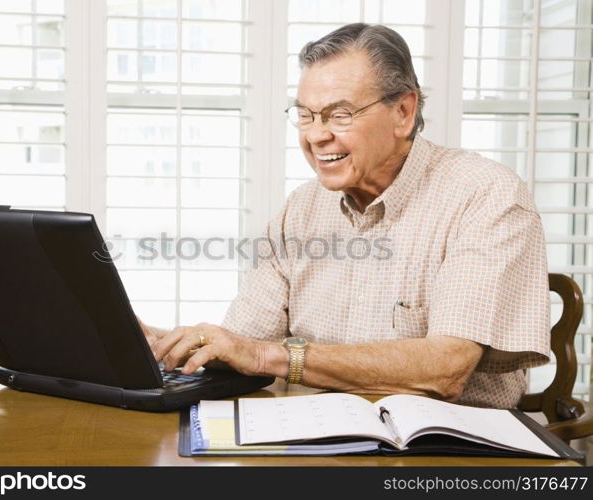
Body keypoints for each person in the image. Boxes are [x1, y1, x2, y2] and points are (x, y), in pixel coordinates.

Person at [142, 23, 550, 409]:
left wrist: (269, 356)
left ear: (403, 112)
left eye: (340, 114)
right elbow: (245, 346)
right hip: (316, 435)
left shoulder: (485, 195)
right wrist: (154, 343)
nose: (316, 135)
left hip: (448, 450)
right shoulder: (300, 209)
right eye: (305, 114)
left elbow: (448, 369)